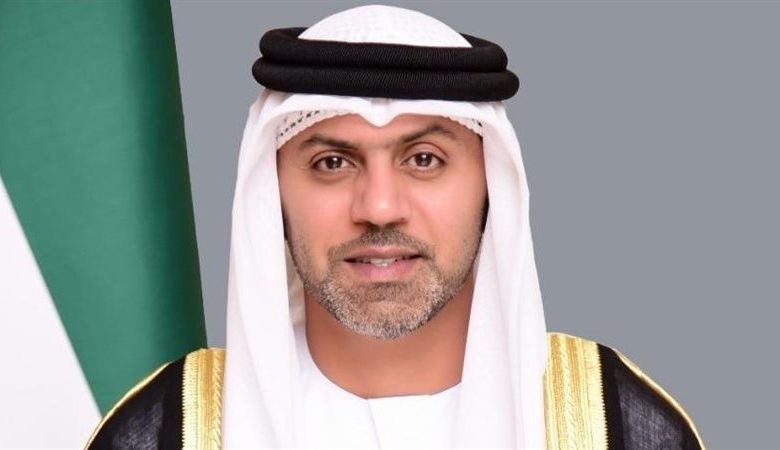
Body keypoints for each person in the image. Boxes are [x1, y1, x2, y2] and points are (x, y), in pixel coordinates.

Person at [87, 5, 704, 449]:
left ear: (490, 185)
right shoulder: (166, 431)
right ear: (272, 193)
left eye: (424, 160)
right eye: (332, 163)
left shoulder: (614, 425)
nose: (379, 207)